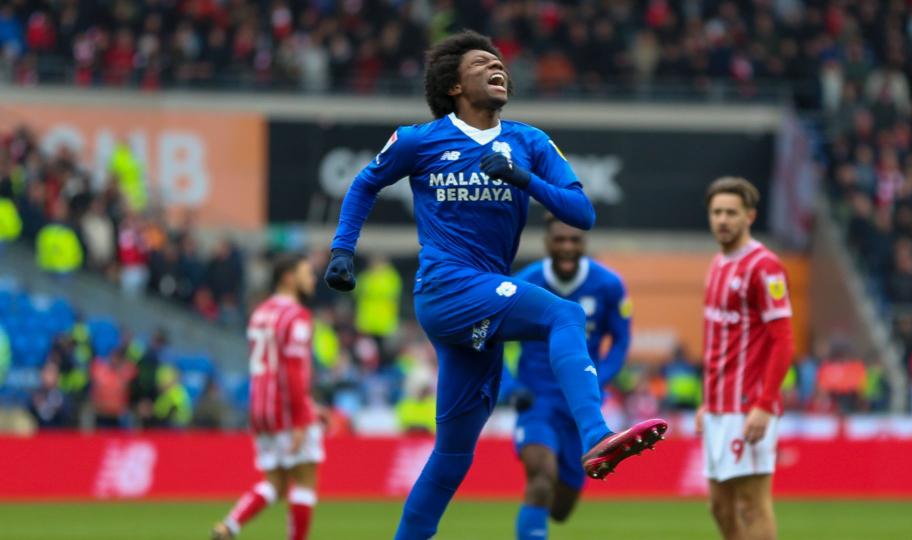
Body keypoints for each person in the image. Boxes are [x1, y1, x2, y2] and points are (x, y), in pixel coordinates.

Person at [324, 31, 666, 540]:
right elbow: (364, 183)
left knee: (452, 456)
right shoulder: (419, 140)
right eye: (483, 63)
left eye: (500, 62)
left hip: (481, 302)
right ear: (454, 86)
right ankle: (595, 434)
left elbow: (582, 212)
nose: (497, 67)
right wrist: (341, 250)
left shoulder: (529, 142)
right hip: (444, 289)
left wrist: (522, 178)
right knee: (565, 314)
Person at [506, 213, 633, 539]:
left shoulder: (609, 285)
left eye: (574, 240)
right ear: (547, 242)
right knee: (540, 478)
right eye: (559, 239)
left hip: (580, 409)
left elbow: (619, 341)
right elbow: (495, 342)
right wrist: (511, 387)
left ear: (584, 243)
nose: (567, 247)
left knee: (561, 509)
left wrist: (598, 379)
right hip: (537, 402)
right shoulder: (524, 283)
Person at [696, 177, 795, 540]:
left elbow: (782, 340)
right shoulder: (719, 264)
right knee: (719, 506)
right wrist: (707, 403)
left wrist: (765, 403)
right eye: (717, 212)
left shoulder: (764, 266)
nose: (722, 220)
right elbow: (717, 343)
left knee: (751, 504)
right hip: (719, 406)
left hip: (748, 404)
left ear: (749, 216)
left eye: (731, 213)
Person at [212, 254, 323, 540]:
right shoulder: (296, 317)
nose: (312, 278)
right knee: (304, 482)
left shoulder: (260, 313)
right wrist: (301, 418)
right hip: (286, 409)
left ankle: (229, 526)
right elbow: (292, 370)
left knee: (276, 482)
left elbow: (270, 367)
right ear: (288, 277)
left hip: (261, 408)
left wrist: (310, 406)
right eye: (306, 272)